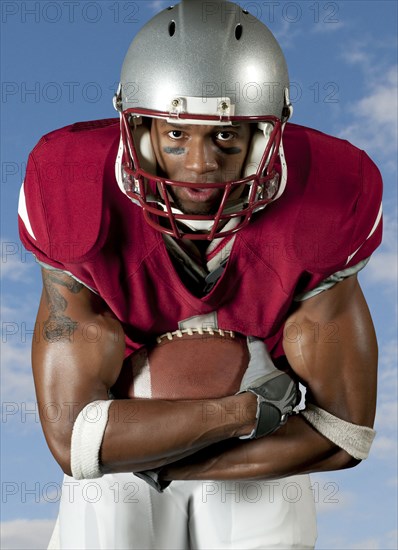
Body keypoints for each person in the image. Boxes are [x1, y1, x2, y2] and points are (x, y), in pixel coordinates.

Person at [18, 1, 382, 548]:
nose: (199, 166)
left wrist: (166, 463)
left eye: (225, 137)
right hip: (192, 419)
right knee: (105, 512)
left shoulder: (329, 199)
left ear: (268, 134)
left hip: (239, 461)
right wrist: (244, 411)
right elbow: (75, 440)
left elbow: (342, 436)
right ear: (135, 125)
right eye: (176, 136)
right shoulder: (69, 183)